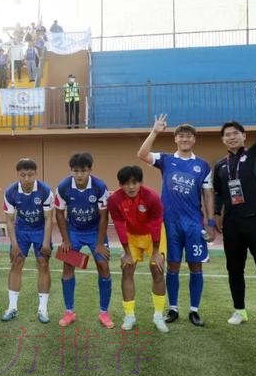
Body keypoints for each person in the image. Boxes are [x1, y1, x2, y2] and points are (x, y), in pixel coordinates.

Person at [213, 75, 256, 336]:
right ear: (223, 140)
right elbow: (219, 192)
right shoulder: (220, 165)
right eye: (226, 135)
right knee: (234, 269)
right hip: (233, 224)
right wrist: (217, 213)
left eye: (235, 134)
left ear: (244, 136)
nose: (231, 137)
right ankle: (239, 310)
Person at [137, 115, 214, 327]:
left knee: (196, 266)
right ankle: (173, 308)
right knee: (172, 265)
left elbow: (208, 194)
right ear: (175, 139)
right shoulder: (166, 159)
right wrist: (155, 131)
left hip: (194, 223)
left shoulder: (203, 165)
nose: (185, 139)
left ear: (194, 139)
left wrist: (210, 222)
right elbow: (142, 154)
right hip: (169, 223)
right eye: (181, 136)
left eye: (188, 136)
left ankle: (194, 310)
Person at [54, 153, 113, 329]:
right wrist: (65, 240)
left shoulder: (99, 186)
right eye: (76, 171)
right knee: (68, 266)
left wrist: (100, 244)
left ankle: (104, 313)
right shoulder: (63, 187)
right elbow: (59, 214)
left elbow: (104, 216)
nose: (80, 175)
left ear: (90, 170)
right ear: (71, 170)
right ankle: (69, 312)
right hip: (74, 231)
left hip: (95, 231)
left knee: (103, 265)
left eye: (84, 171)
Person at [107, 165, 169, 333]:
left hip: (152, 235)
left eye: (135, 183)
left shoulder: (152, 197)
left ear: (141, 182)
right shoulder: (114, 200)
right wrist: (127, 252)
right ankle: (129, 316)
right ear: (120, 185)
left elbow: (156, 224)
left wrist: (155, 253)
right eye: (126, 183)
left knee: (157, 269)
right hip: (132, 236)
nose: (131, 187)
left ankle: (158, 316)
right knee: (127, 268)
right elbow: (119, 225)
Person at [1, 158, 54, 323]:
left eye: (30, 175)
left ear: (35, 174)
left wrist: (46, 242)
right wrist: (14, 244)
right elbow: (10, 220)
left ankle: (43, 309)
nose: (26, 179)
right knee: (16, 263)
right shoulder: (10, 192)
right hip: (21, 230)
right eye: (22, 175)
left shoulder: (45, 191)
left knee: (43, 264)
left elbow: (48, 219)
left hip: (40, 230)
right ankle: (12, 308)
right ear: (17, 174)